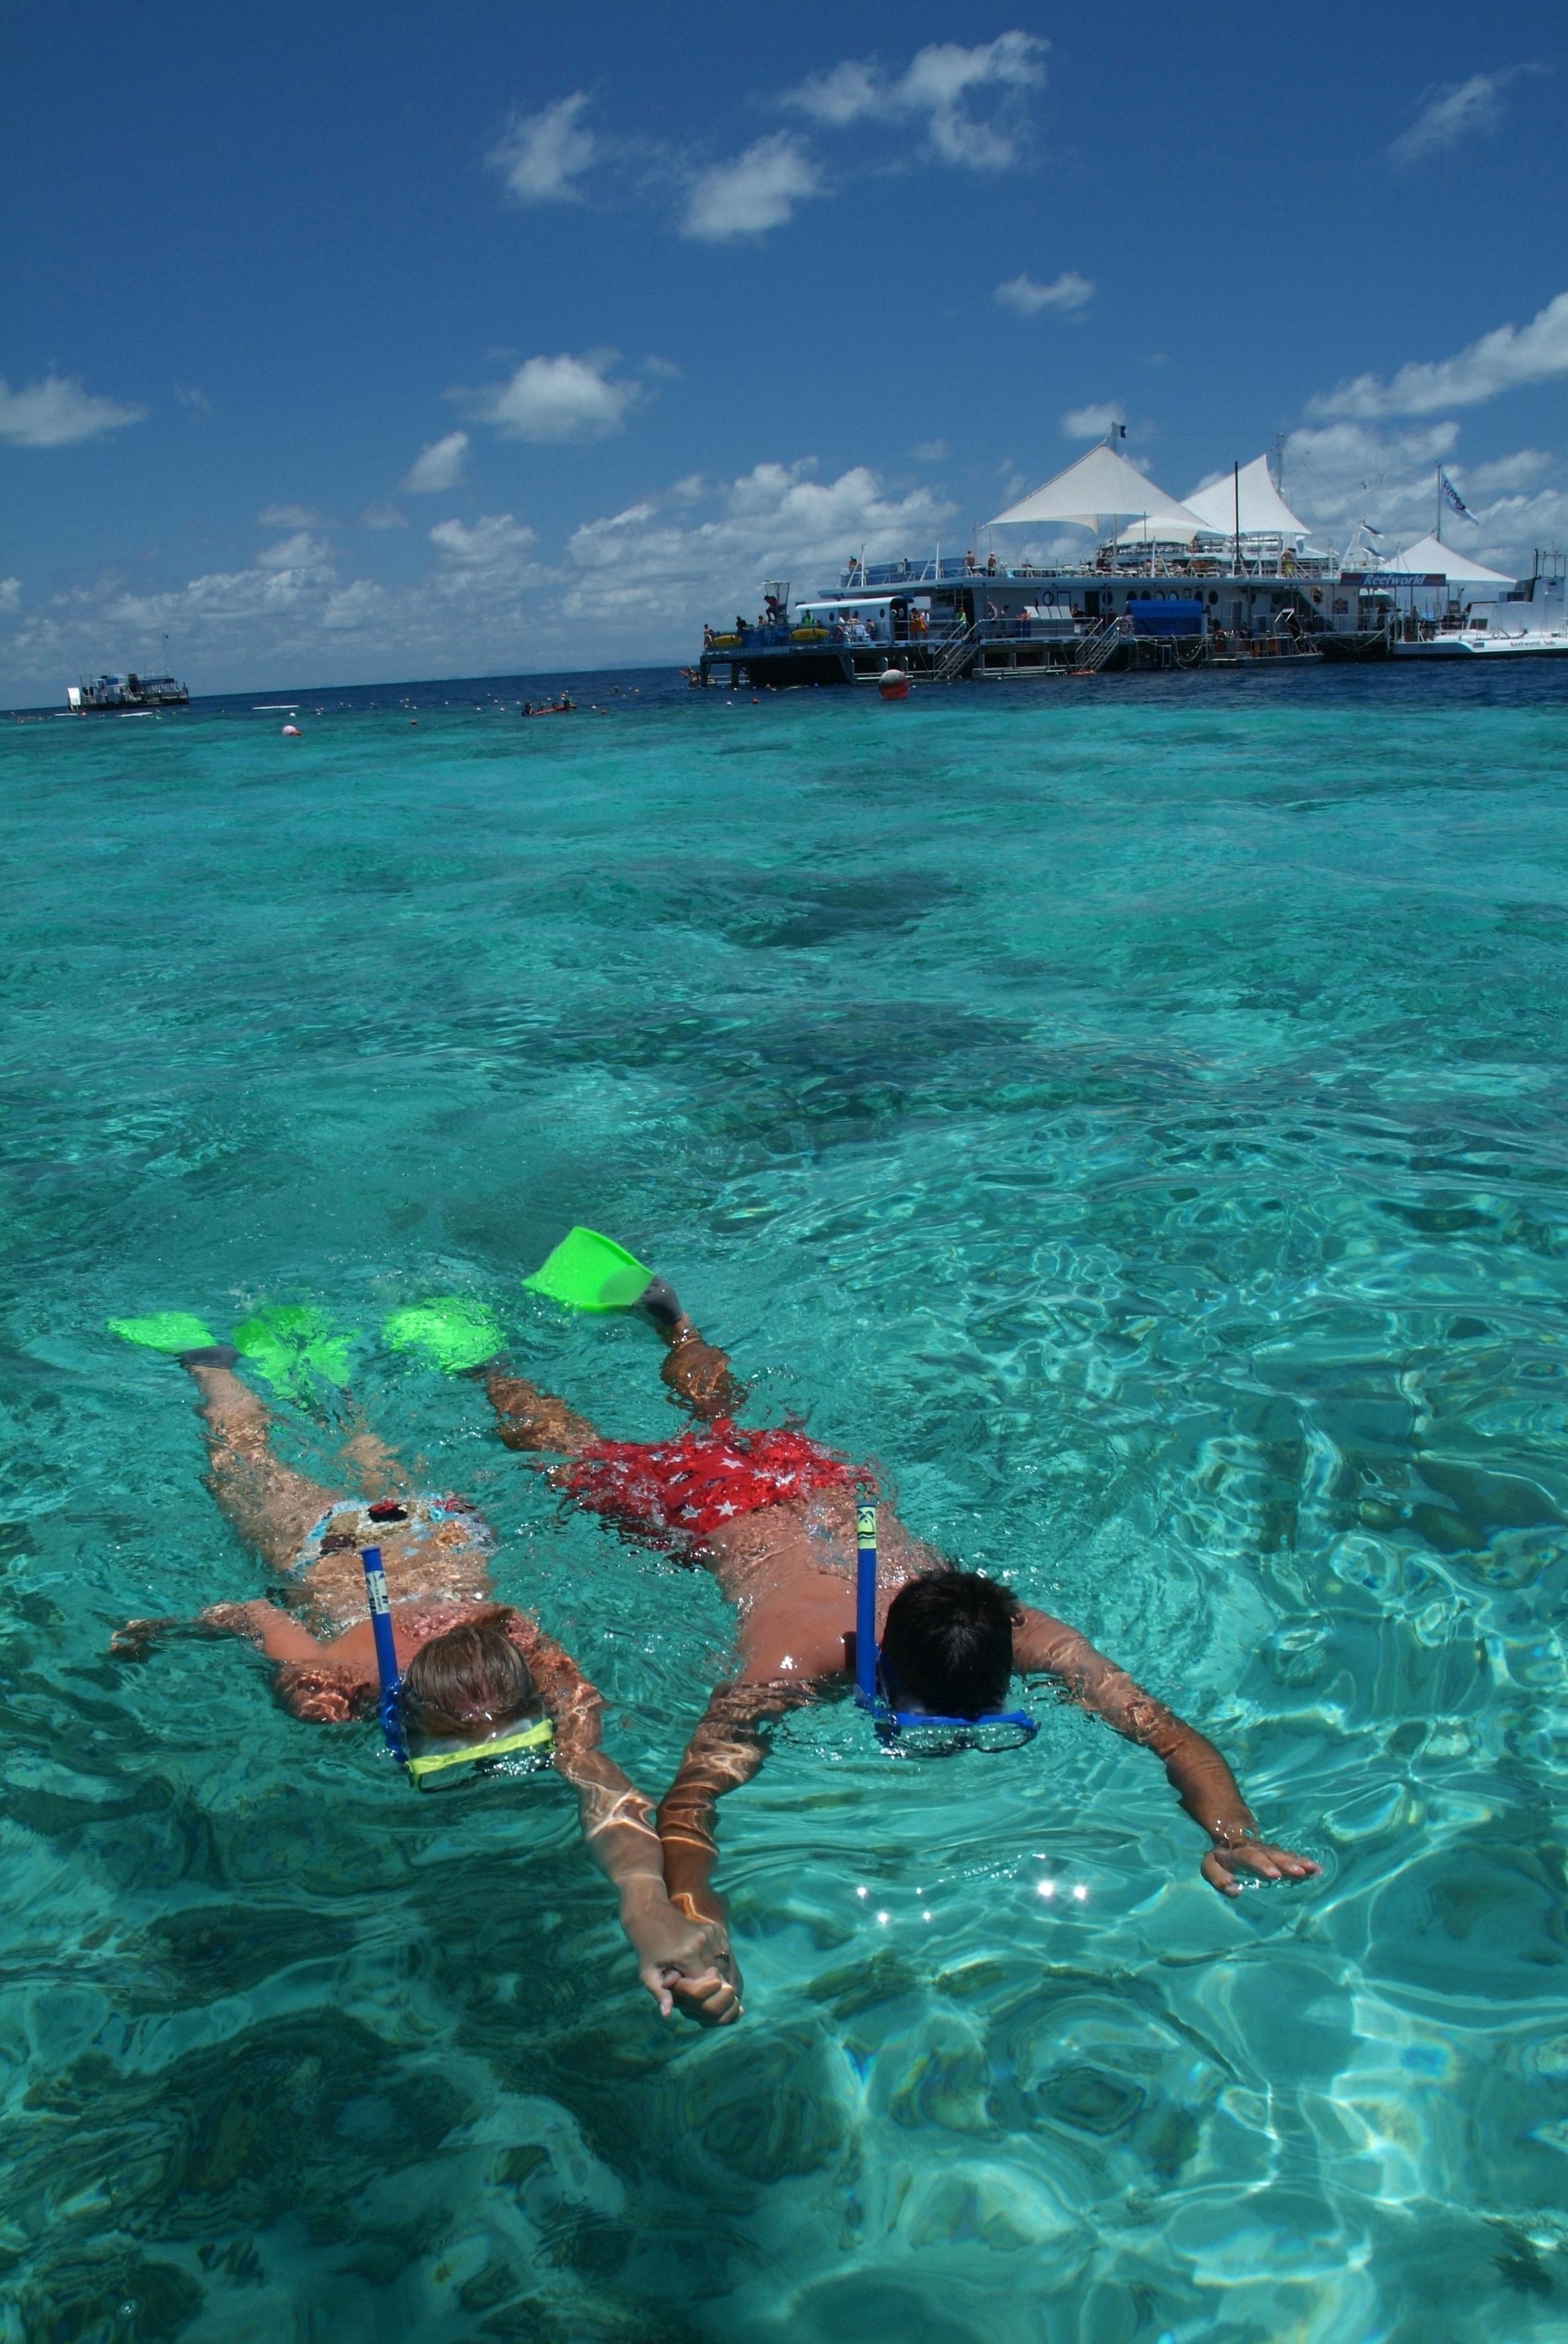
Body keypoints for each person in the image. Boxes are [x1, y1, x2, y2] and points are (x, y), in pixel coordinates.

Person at [478, 1291, 1320, 2025]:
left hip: (810, 1481)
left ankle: (676, 1329)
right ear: (873, 1662)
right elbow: (689, 1802)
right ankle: (489, 1366)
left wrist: (1231, 1833)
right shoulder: (789, 1662)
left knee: (725, 1425)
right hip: (709, 1506)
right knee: (575, 1460)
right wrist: (699, 1920)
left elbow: (1174, 1740)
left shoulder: (1028, 1633)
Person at [110, 1347, 726, 2017]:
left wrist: (646, 1911)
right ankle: (223, 1371)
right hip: (343, 1546)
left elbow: (250, 1613)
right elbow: (252, 1612)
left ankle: (229, 1371)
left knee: (266, 1462)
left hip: (443, 1532)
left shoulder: (520, 1646)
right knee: (244, 1465)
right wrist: (164, 1628)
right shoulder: (367, 1675)